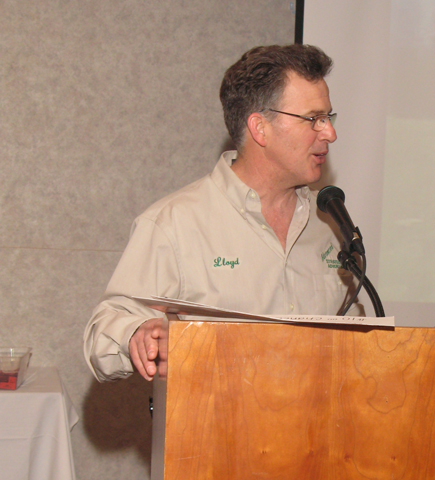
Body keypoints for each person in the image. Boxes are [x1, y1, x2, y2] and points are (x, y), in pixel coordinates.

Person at [83, 44, 361, 382]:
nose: (330, 133)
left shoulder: (331, 223)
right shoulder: (174, 224)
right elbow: (102, 336)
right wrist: (137, 333)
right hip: (211, 429)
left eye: (328, 117)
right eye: (313, 119)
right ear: (260, 128)